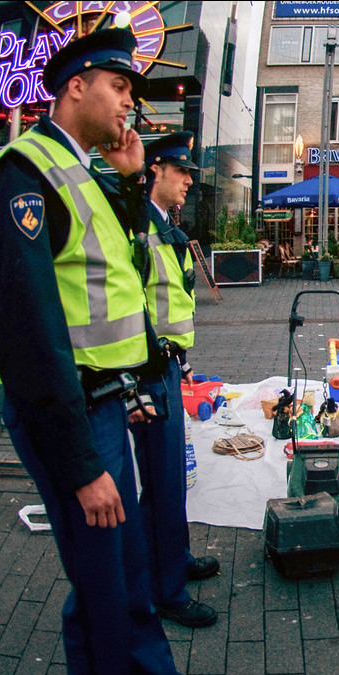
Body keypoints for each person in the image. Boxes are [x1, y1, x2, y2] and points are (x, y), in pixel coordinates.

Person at [0, 28, 223, 675]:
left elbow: (122, 281)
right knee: (103, 579)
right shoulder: (21, 178)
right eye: (120, 89)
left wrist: (136, 388)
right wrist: (80, 464)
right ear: (75, 86)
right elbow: (32, 338)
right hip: (66, 416)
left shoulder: (81, 174)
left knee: (128, 565)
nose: (130, 106)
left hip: (103, 403)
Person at [132, 131, 220, 629]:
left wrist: (181, 359)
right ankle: (166, 590)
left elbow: (171, 301)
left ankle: (176, 556)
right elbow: (132, 305)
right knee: (163, 479)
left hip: (167, 363)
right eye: (181, 171)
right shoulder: (140, 228)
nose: (189, 180)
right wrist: (149, 368)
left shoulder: (166, 226)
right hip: (147, 369)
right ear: (155, 172)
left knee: (172, 476)